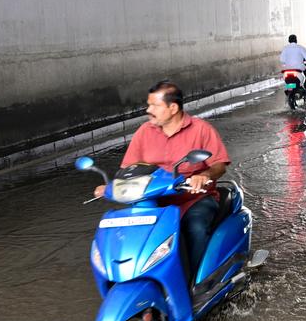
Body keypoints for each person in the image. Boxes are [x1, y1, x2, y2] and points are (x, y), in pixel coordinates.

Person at [92, 81, 231, 283]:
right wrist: (112, 186)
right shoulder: (144, 132)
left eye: (154, 106)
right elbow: (129, 169)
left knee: (195, 228)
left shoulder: (201, 129)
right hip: (152, 202)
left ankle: (195, 282)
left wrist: (205, 176)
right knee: (124, 233)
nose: (148, 110)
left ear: (172, 108)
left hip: (191, 199)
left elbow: (220, 164)